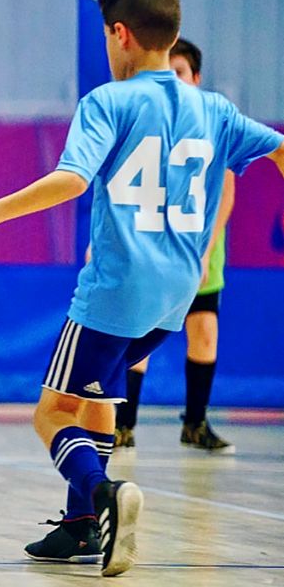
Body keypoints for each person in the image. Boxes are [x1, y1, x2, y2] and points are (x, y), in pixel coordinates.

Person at [0, 0, 284, 576]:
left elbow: (72, 179)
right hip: (177, 295)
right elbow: (280, 149)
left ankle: (105, 497)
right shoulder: (215, 110)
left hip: (116, 289)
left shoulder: (108, 102)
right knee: (99, 394)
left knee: (51, 413)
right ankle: (80, 528)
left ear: (120, 34)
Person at [114, 38, 237, 453]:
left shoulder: (215, 121)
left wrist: (206, 251)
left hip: (200, 254)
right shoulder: (153, 120)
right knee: (141, 338)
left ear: (196, 78)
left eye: (181, 72)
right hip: (156, 253)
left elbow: (226, 196)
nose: (175, 79)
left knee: (204, 334)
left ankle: (195, 423)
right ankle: (123, 425)